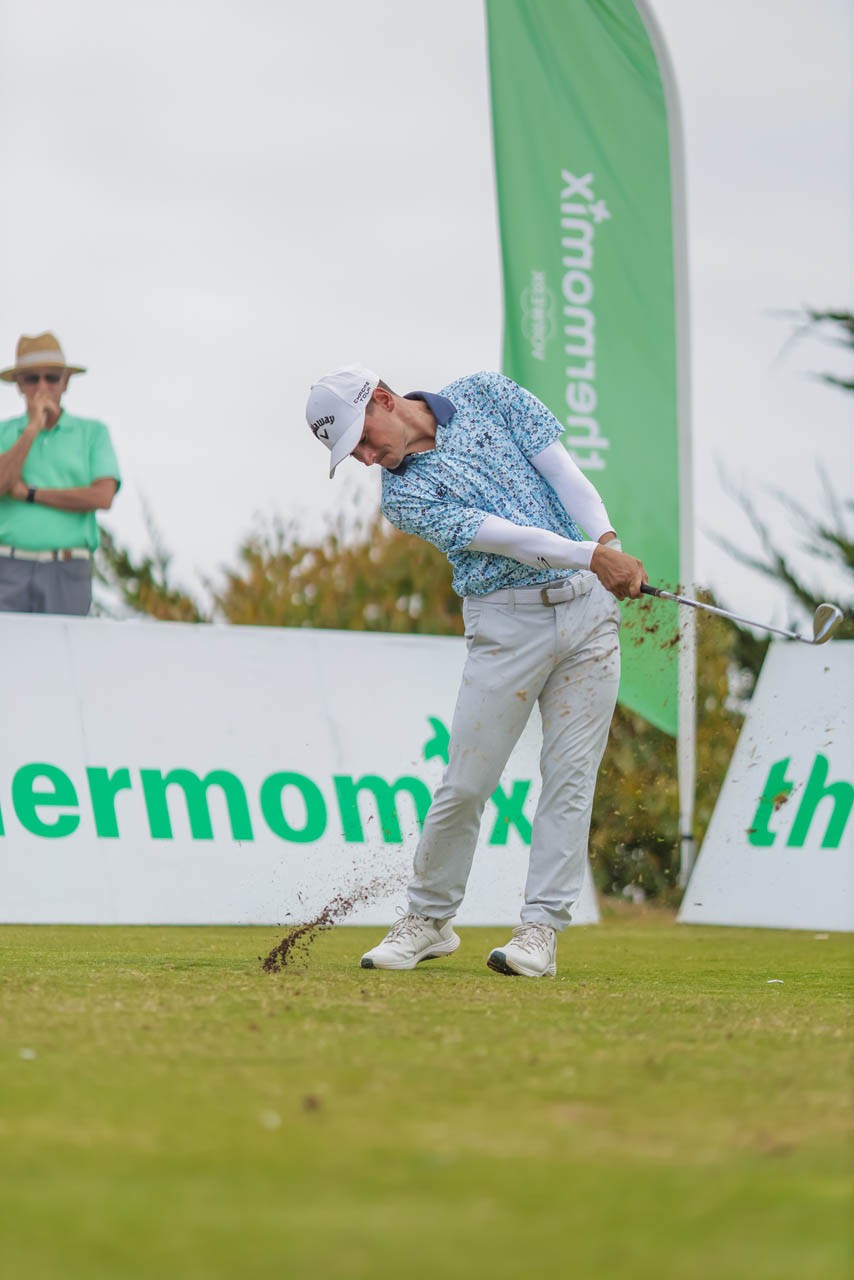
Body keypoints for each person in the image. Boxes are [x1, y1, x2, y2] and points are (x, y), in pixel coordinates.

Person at [305, 364, 647, 978]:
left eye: (361, 439)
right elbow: (509, 539)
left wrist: (608, 543)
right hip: (506, 625)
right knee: (466, 784)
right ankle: (429, 919)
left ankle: (540, 931)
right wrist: (593, 555)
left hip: (588, 616)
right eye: (351, 453)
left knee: (569, 780)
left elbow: (562, 472)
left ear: (383, 399)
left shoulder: (487, 393)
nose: (364, 458)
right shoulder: (403, 499)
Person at [0, 332, 121, 615]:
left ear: (65, 382)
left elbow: (102, 497)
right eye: (32, 379)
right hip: (7, 567)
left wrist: (29, 494)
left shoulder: (93, 433)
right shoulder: (4, 432)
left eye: (51, 378)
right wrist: (32, 428)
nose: (42, 387)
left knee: (65, 644)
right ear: (19, 384)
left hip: (67, 570)